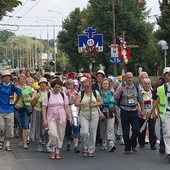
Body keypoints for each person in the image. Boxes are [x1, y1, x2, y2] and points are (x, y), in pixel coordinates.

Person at [42, 78, 72, 160]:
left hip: (61, 116)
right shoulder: (48, 95)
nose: (57, 89)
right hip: (51, 116)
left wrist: (70, 117)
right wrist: (44, 119)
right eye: (56, 87)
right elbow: (44, 108)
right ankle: (52, 148)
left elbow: (67, 106)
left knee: (60, 134)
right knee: (53, 133)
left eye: (59, 87)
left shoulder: (63, 94)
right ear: (52, 87)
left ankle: (57, 150)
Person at [114, 72, 144, 154]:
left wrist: (142, 111)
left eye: (131, 77)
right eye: (128, 78)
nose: (129, 79)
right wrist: (120, 91)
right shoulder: (121, 86)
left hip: (134, 111)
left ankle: (132, 143)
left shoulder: (137, 88)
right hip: (124, 110)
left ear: (133, 78)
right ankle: (127, 148)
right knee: (125, 131)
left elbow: (141, 101)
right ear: (125, 78)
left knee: (136, 129)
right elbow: (115, 98)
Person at [75, 78, 103, 157]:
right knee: (85, 132)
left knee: (92, 134)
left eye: (88, 86)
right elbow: (76, 103)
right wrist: (83, 103)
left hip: (94, 115)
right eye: (84, 87)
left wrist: (94, 105)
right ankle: (84, 147)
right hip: (84, 114)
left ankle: (91, 150)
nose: (86, 88)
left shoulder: (95, 93)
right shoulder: (81, 93)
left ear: (91, 86)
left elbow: (101, 102)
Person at [148, 67, 170, 159]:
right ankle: (169, 152)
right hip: (166, 113)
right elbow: (157, 101)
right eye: (168, 75)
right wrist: (152, 112)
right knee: (167, 133)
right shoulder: (162, 88)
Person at [0, 70, 21, 151]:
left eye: (8, 76)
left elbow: (19, 94)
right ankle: (1, 139)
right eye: (5, 76)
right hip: (0, 110)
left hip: (10, 110)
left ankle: (8, 144)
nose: (7, 77)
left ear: (10, 77)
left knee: (9, 128)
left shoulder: (13, 86)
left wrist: (15, 103)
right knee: (1, 127)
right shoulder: (0, 85)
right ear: (2, 78)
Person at [15, 74, 33, 149]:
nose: (22, 80)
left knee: (25, 125)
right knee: (20, 125)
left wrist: (28, 100)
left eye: (23, 79)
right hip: (17, 108)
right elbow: (13, 97)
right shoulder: (15, 88)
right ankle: (21, 139)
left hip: (26, 108)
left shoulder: (29, 88)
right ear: (18, 80)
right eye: (21, 79)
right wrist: (15, 104)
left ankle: (25, 143)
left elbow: (33, 98)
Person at [138, 78, 157, 150]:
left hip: (151, 113)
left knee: (152, 129)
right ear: (142, 85)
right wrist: (140, 111)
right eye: (145, 84)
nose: (147, 85)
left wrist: (155, 112)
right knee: (142, 129)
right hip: (143, 113)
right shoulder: (140, 93)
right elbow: (138, 103)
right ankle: (141, 142)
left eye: (148, 84)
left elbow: (156, 103)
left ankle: (153, 144)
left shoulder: (153, 93)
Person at [30, 77, 49, 151]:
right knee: (38, 128)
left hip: (47, 112)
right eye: (41, 83)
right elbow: (32, 104)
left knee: (45, 129)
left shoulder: (49, 92)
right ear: (39, 85)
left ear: (46, 84)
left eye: (44, 83)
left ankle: (47, 143)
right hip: (37, 111)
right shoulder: (36, 93)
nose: (43, 85)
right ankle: (40, 143)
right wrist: (35, 98)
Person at [99, 78, 117, 152]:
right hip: (102, 112)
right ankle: (104, 141)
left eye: (107, 83)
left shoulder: (112, 93)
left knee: (110, 127)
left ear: (109, 85)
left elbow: (115, 103)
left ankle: (111, 143)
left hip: (110, 111)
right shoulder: (99, 93)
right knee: (103, 128)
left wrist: (116, 113)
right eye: (104, 83)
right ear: (102, 85)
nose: (105, 85)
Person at [64, 79, 80, 153]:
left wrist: (77, 111)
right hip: (66, 111)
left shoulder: (76, 93)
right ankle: (68, 142)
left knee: (75, 127)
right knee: (68, 128)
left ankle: (76, 145)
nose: (70, 86)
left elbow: (77, 102)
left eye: (71, 84)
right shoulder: (64, 93)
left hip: (74, 110)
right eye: (68, 84)